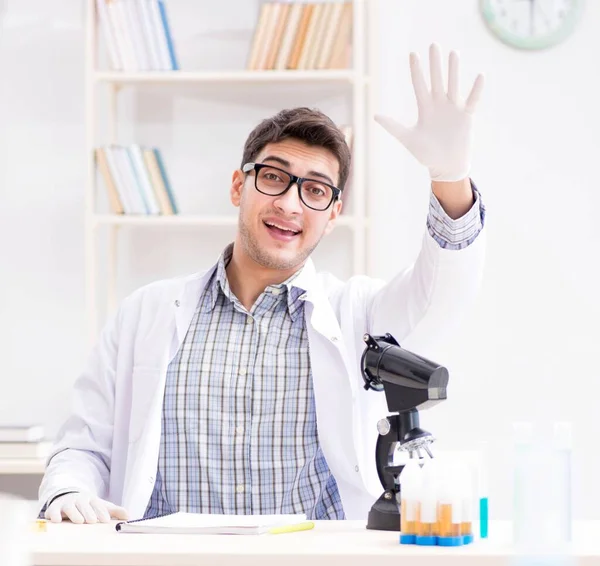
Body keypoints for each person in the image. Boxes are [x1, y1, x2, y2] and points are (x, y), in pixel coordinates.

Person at [39, 44, 486, 524]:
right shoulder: (144, 314)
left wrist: (450, 179)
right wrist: (66, 492)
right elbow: (83, 446)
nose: (290, 205)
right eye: (274, 178)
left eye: (315, 190)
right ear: (239, 186)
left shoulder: (359, 314)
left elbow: (439, 297)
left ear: (333, 214)